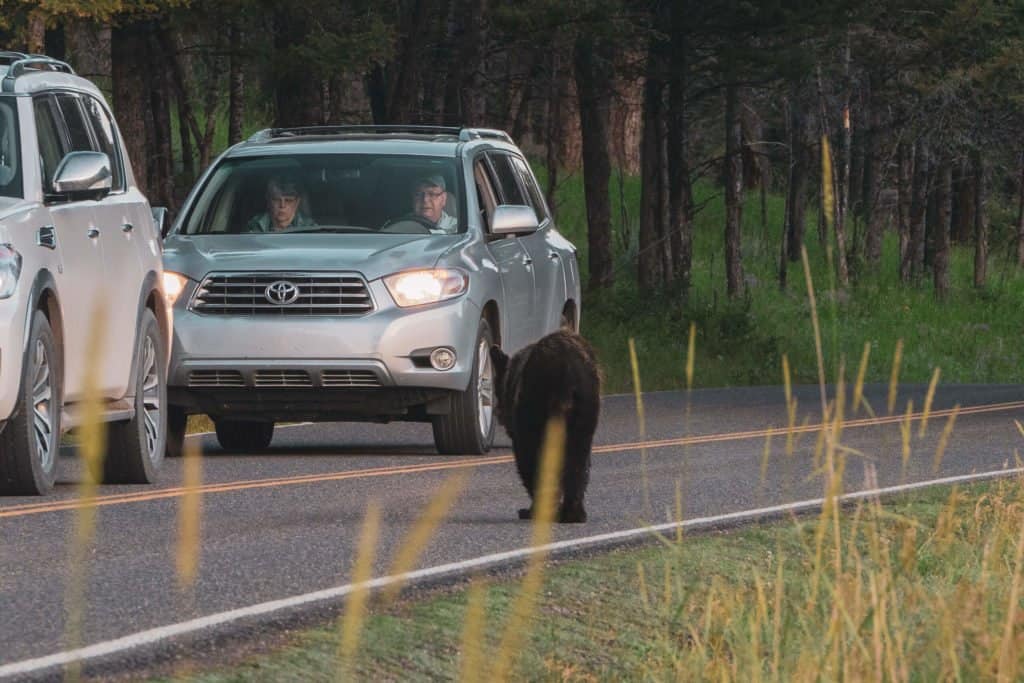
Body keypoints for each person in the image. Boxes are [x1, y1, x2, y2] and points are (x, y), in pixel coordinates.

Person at [246, 175, 315, 232]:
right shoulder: (254, 226)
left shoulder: (310, 228)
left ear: (297, 202)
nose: (282, 205)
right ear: (268, 200)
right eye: (276, 200)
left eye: (288, 200)